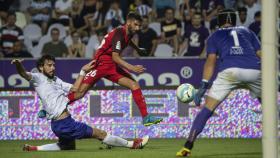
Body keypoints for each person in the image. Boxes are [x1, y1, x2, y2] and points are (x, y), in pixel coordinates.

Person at [11, 55, 149, 151]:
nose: (53, 68)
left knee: (67, 146)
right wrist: (18, 64)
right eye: (49, 65)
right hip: (65, 124)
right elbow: (24, 74)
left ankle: (34, 148)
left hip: (58, 125)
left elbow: (75, 88)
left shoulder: (56, 80)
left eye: (54, 65)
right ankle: (132, 144)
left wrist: (83, 71)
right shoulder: (38, 78)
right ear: (41, 68)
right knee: (100, 134)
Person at [176, 9, 261, 157]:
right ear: (234, 21)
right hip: (255, 71)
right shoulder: (247, 31)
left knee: (207, 110)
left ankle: (187, 147)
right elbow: (262, 54)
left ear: (219, 22)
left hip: (230, 72)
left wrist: (203, 86)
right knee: (271, 107)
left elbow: (210, 61)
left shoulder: (214, 35)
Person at [67, 12, 163, 126]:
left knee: (134, 85)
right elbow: (116, 57)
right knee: (79, 93)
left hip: (110, 65)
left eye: (139, 26)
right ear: (128, 23)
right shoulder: (119, 33)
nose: (137, 28)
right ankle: (53, 105)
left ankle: (146, 117)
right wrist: (132, 68)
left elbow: (128, 41)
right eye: (136, 25)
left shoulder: (129, 32)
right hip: (100, 64)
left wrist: (137, 48)